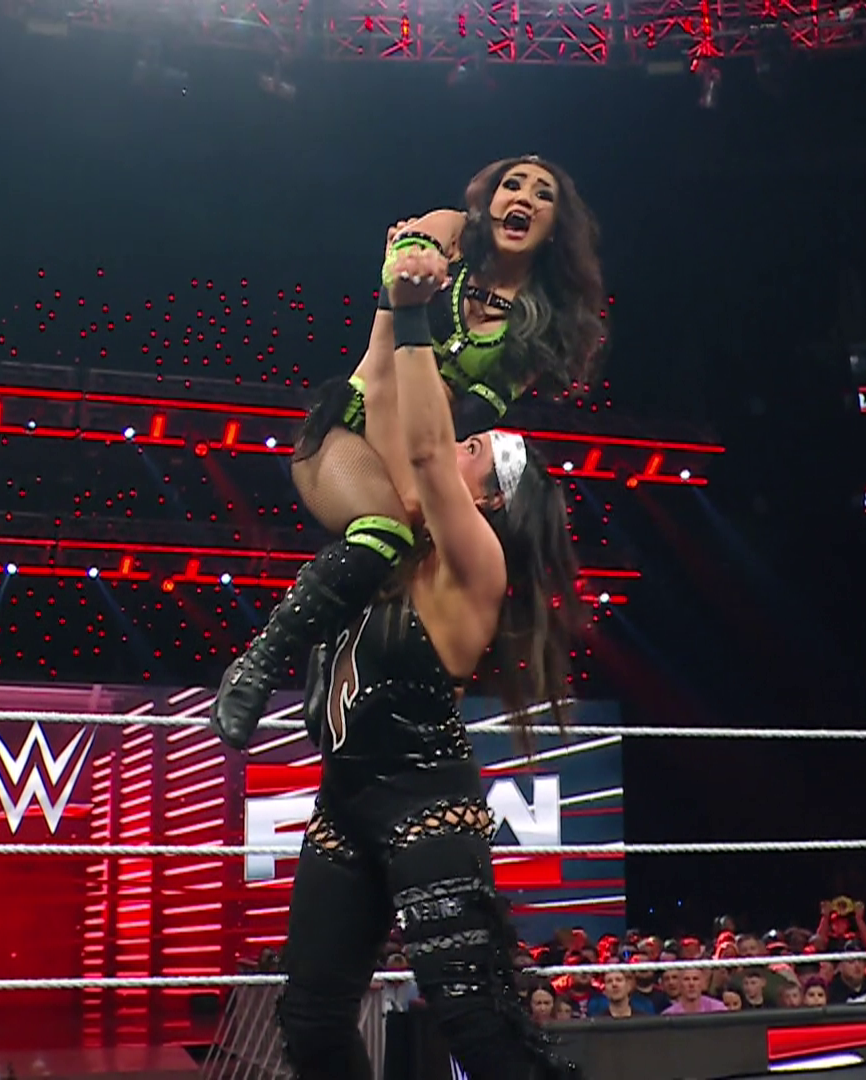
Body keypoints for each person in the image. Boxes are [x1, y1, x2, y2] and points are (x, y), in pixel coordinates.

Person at [269, 241, 583, 1080]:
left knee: (476, 1021)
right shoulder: (382, 546)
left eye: (475, 449)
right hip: (343, 806)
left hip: (426, 808)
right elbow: (371, 417)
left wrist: (413, 319)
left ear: (490, 496)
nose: (458, 442)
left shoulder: (476, 562)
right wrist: (395, 298)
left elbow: (424, 453)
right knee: (310, 1018)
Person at [210, 155, 604, 746]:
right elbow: (410, 261)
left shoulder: (538, 326)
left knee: (421, 552)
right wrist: (414, 259)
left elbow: (466, 420)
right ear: (489, 200)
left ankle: (337, 659)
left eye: (542, 193)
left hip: (420, 449)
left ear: (555, 227)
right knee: (388, 530)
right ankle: (257, 667)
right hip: (350, 430)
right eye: (511, 184)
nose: (523, 197)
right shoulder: (452, 231)